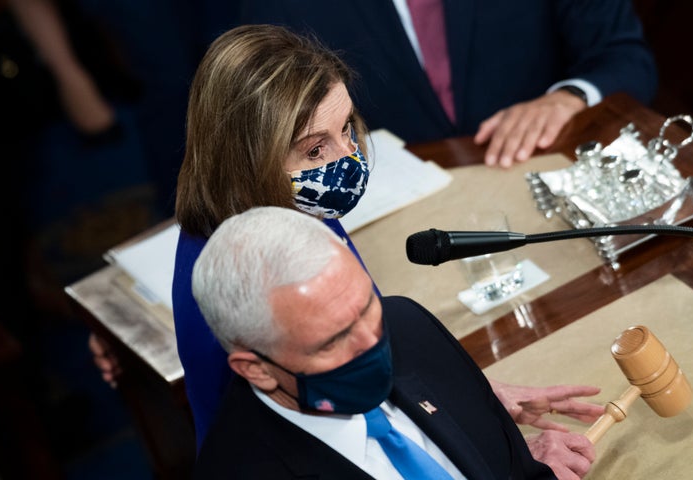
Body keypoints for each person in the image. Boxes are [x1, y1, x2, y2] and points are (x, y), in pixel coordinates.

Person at [170, 24, 604, 475]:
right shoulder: (239, 284)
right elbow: (295, 433)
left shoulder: (300, 203)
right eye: (316, 148)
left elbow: (362, 346)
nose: (347, 158)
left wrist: (470, 416)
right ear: (249, 161)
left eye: (346, 129)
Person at [190, 205, 596, 479]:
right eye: (333, 341)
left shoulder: (408, 326)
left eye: (367, 306)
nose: (374, 342)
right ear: (256, 369)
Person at [238, 0, 657, 167]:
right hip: (400, 232)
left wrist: (570, 97)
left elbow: (627, 60)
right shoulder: (271, 6)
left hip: (546, 174)